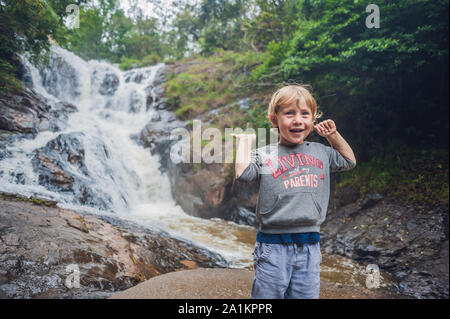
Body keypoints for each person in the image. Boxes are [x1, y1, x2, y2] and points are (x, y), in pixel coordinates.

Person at [231, 85, 356, 299]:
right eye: (289, 114)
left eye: (304, 114)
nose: (298, 120)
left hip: (310, 245)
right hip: (272, 245)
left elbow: (349, 161)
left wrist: (333, 136)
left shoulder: (322, 152)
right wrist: (245, 143)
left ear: (313, 119)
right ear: (274, 120)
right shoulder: (265, 154)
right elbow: (243, 174)